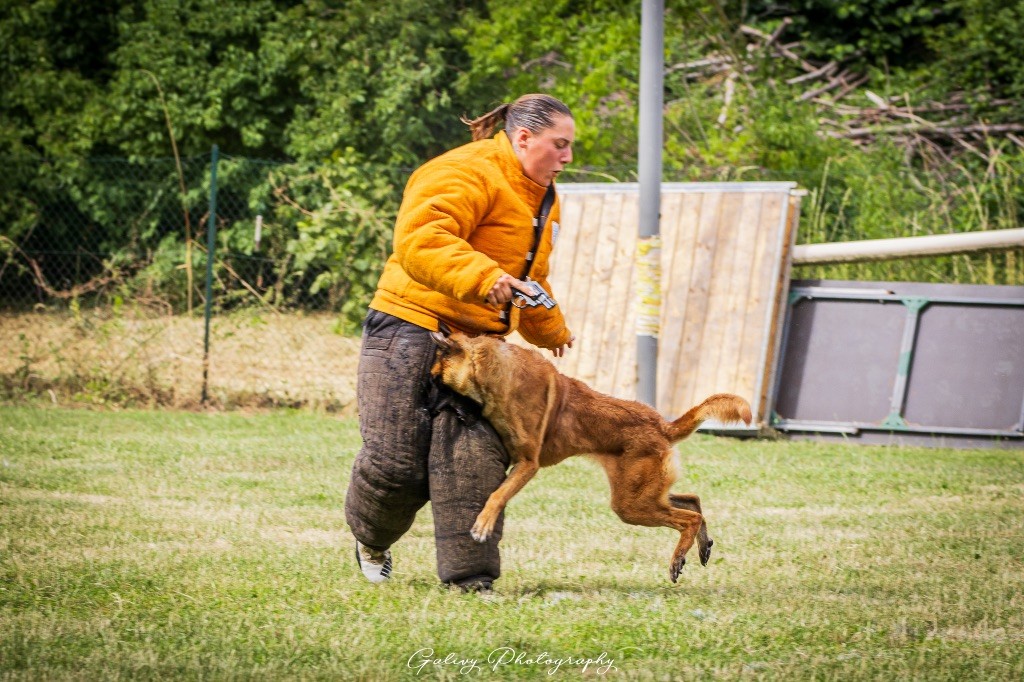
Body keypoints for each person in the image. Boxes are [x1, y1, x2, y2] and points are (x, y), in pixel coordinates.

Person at [344, 93, 576, 592]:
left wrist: (552, 328)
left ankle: (471, 581)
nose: (567, 158)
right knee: (397, 466)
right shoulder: (465, 170)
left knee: (473, 462)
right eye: (560, 145)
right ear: (524, 138)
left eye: (570, 147)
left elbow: (527, 279)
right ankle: (371, 539)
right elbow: (420, 237)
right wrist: (480, 274)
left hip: (482, 350)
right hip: (410, 325)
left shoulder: (543, 199)